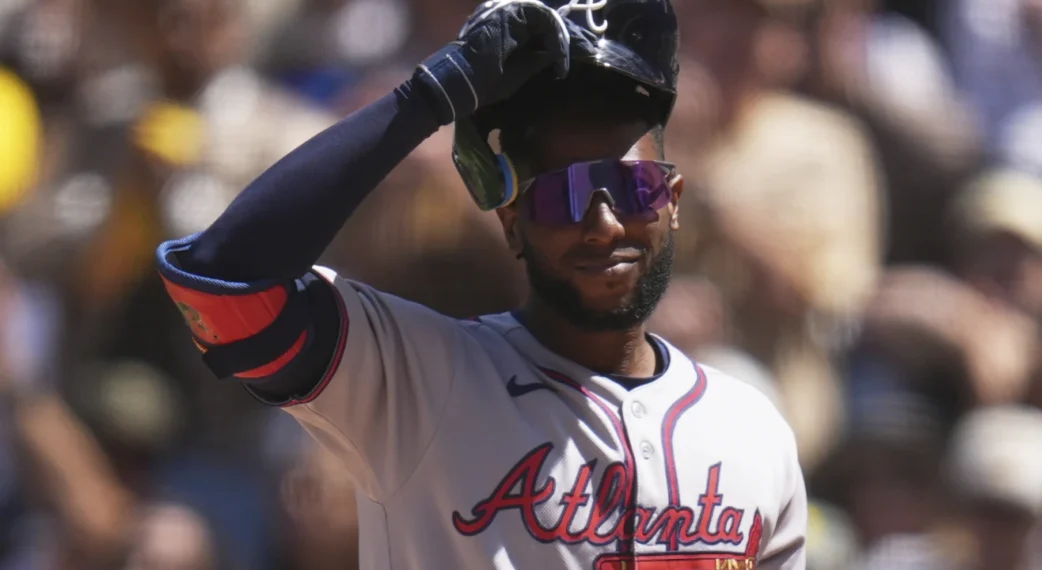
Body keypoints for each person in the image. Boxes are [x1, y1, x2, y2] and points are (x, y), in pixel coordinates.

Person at [155, 0, 807, 568]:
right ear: (512, 221)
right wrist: (432, 96)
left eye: (633, 189)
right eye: (564, 196)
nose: (605, 224)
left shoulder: (753, 430)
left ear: (673, 200)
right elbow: (221, 281)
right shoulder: (417, 384)